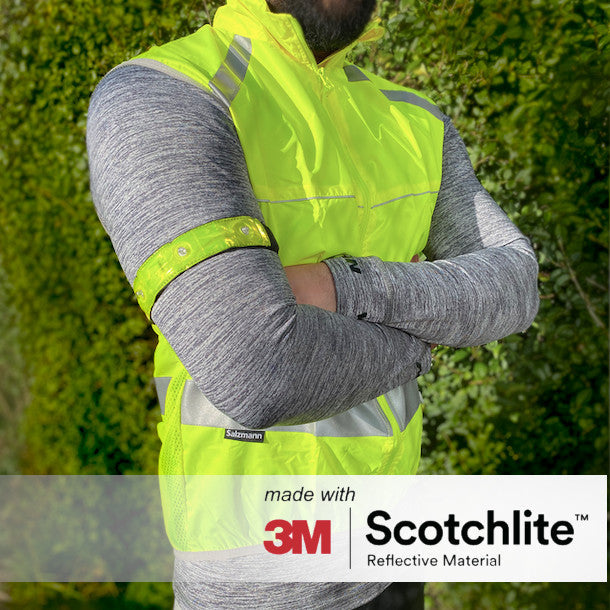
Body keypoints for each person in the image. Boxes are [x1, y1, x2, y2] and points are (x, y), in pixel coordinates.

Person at [86, 0, 540, 607]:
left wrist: (343, 286)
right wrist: (434, 323)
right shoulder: (162, 95)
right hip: (251, 581)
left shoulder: (416, 119)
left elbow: (515, 283)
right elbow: (260, 372)